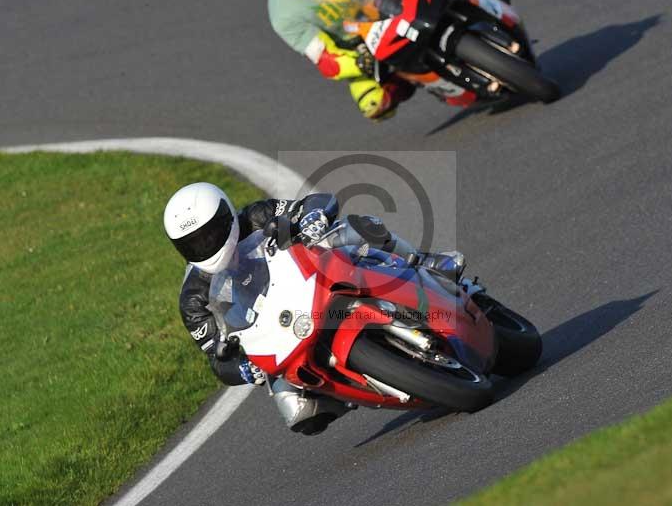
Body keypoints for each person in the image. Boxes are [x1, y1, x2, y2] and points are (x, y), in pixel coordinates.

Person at [164, 182, 465, 435]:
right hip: (274, 333)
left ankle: (425, 262)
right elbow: (216, 358)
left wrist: (313, 217)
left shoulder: (256, 215)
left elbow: (316, 202)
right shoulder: (193, 298)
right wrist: (242, 368)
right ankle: (348, 388)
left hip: (312, 280)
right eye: (193, 243)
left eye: (209, 234)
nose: (205, 246)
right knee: (299, 414)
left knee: (353, 228)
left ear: (226, 215)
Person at [267, 0, 416, 121]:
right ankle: (414, 75)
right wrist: (359, 63)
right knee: (374, 104)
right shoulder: (282, 15)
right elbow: (327, 60)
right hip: (361, 47)